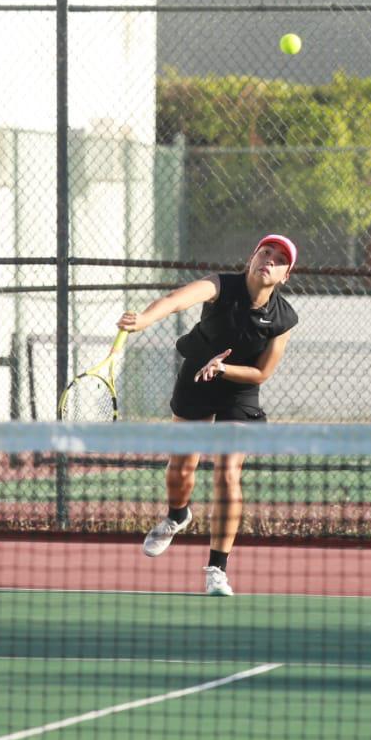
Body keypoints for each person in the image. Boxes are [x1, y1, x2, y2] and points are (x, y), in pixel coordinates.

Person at [117, 234, 300, 596]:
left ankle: (217, 567)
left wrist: (224, 369)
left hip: (239, 388)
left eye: (279, 260)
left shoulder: (285, 318)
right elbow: (174, 302)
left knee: (227, 473)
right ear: (251, 258)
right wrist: (144, 320)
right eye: (265, 252)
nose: (270, 260)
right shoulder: (220, 285)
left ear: (285, 276)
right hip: (197, 376)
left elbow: (261, 373)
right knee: (182, 467)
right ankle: (177, 515)